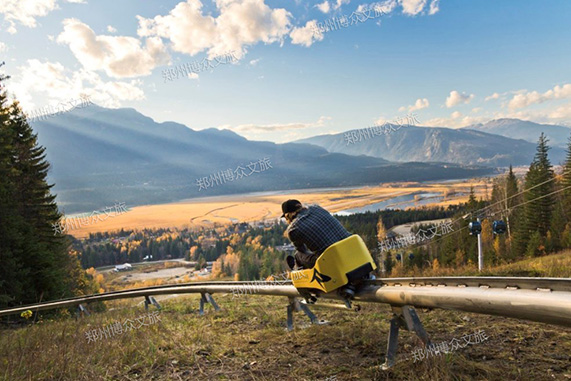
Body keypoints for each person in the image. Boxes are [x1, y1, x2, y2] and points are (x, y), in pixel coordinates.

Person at [281, 199, 351, 269]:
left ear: (288, 215)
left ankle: (297, 271)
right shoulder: (316, 208)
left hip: (331, 260)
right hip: (351, 246)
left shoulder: (293, 229)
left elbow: (302, 250)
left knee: (299, 255)